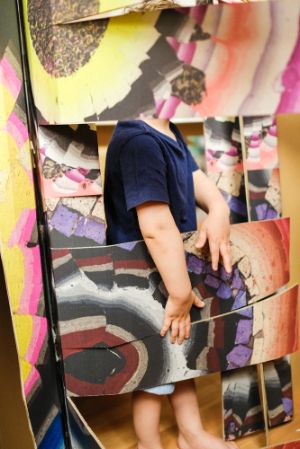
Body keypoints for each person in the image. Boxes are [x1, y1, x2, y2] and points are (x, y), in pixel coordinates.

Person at [104, 119, 238, 449]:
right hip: (143, 278)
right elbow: (156, 228)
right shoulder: (139, 141)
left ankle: (189, 432)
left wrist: (219, 208)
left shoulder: (167, 130)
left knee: (182, 355)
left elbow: (195, 180)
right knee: (152, 372)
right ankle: (148, 444)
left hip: (171, 270)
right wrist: (179, 293)